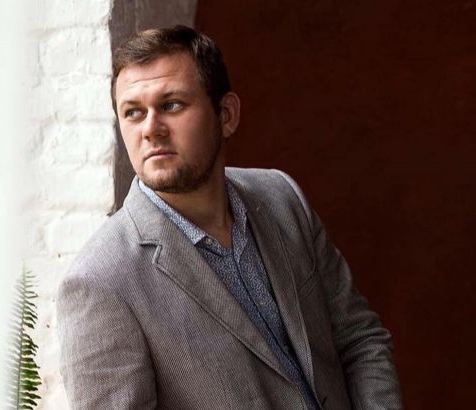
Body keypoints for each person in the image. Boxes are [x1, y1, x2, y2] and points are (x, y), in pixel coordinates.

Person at [57, 25, 402, 410]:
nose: (150, 130)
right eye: (133, 112)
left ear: (226, 115)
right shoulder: (100, 283)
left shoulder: (281, 196)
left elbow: (360, 338)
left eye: (172, 105)